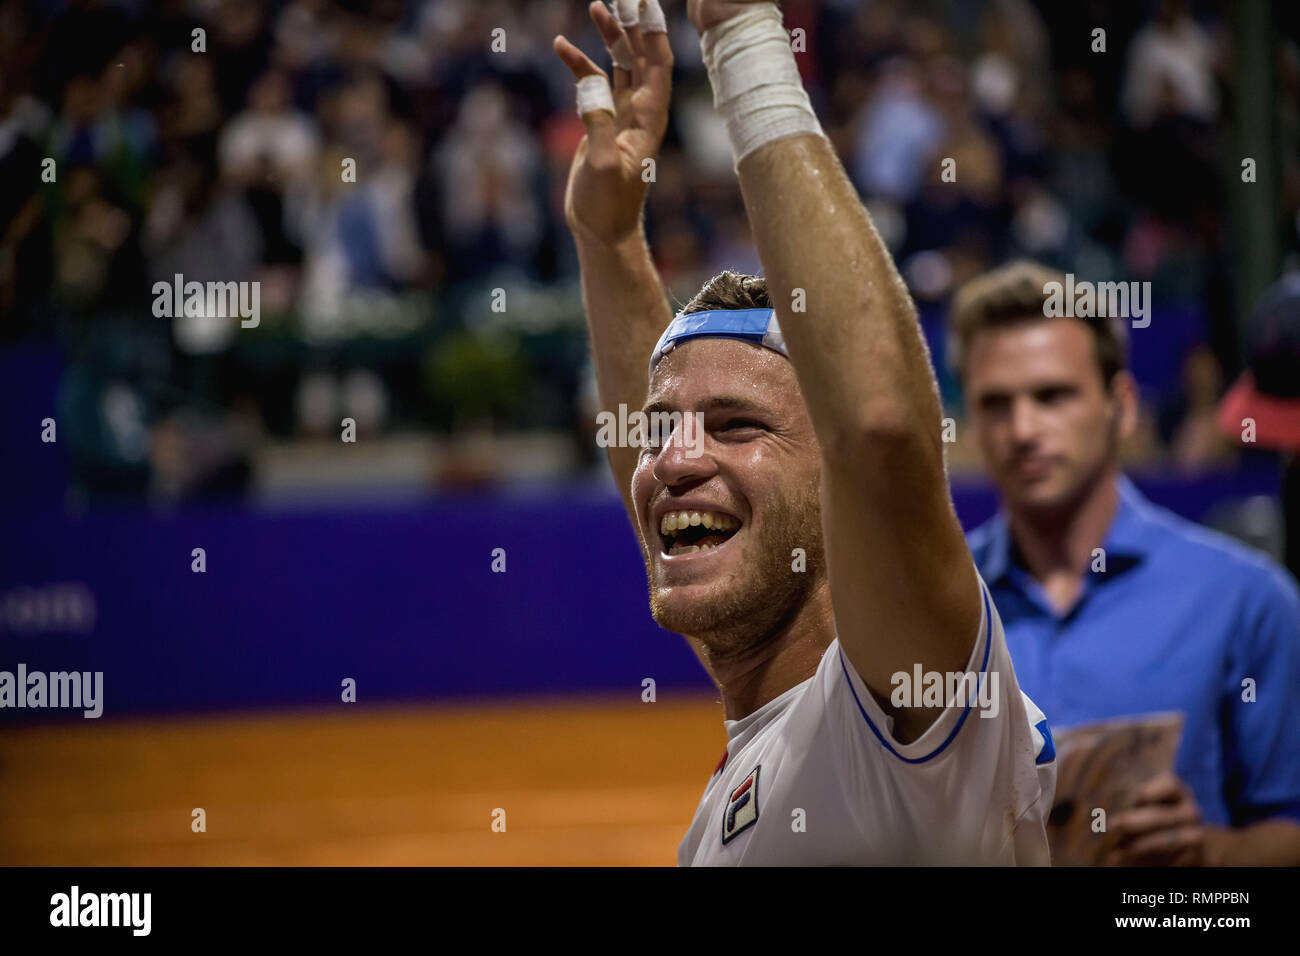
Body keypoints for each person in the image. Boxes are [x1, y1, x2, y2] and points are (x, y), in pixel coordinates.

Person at [553, 0, 1053, 865]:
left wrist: (743, 41)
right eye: (662, 428)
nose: (671, 459)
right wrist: (607, 238)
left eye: (739, 425)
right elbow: (689, 456)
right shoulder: (777, 742)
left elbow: (882, 433)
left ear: (840, 484)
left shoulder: (897, 711)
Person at [954, 260, 1300, 865]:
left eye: (1053, 395)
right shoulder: (939, 608)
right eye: (996, 404)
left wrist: (1204, 853)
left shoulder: (1245, 600)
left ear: (1122, 404)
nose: (1024, 428)